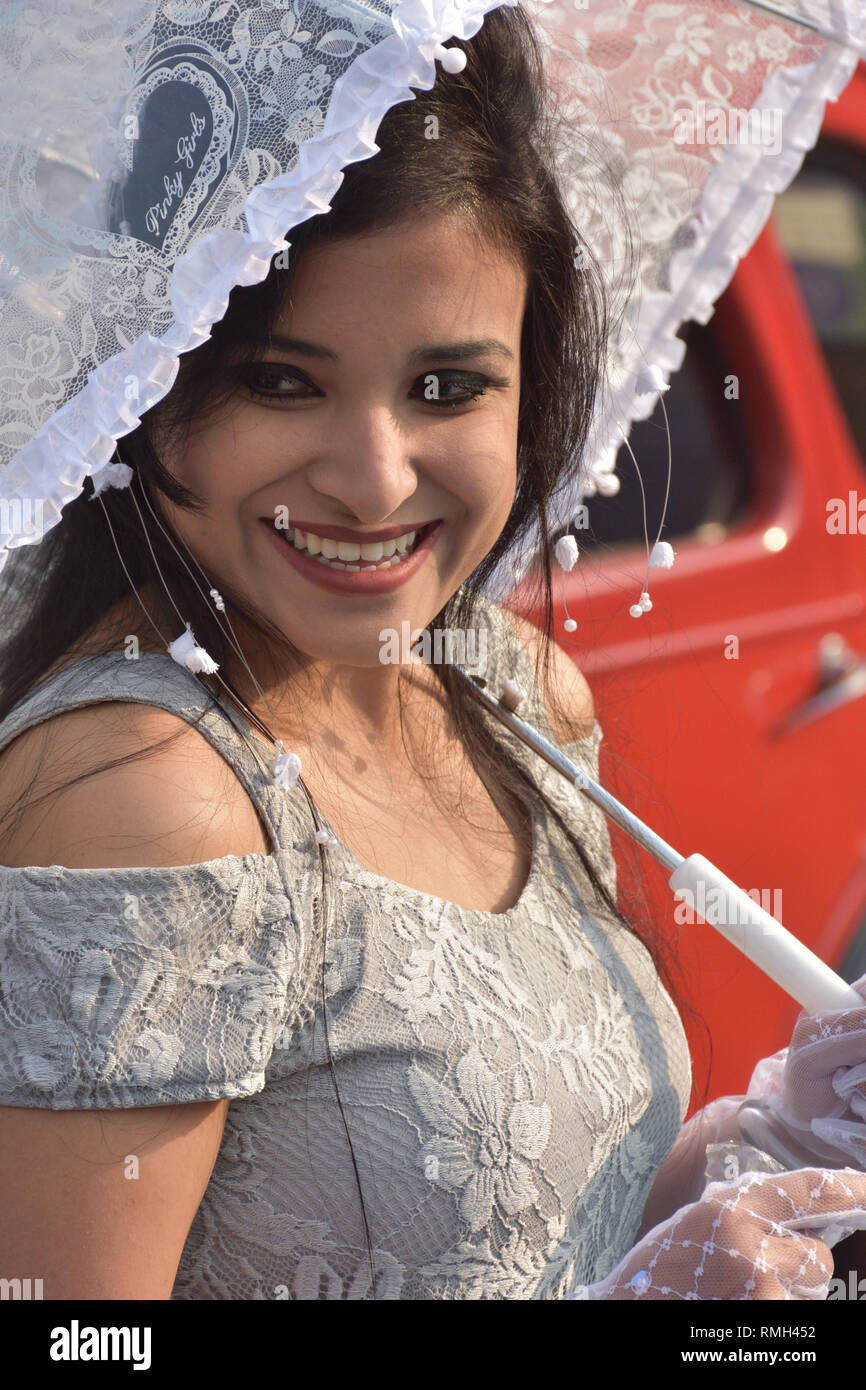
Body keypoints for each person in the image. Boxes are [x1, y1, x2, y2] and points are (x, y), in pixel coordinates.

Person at [0, 5, 865, 1302]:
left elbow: (525, 1230)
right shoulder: (143, 799)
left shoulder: (510, 692)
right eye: (280, 382)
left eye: (448, 388)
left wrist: (763, 1155)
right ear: (150, 372)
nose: (371, 477)